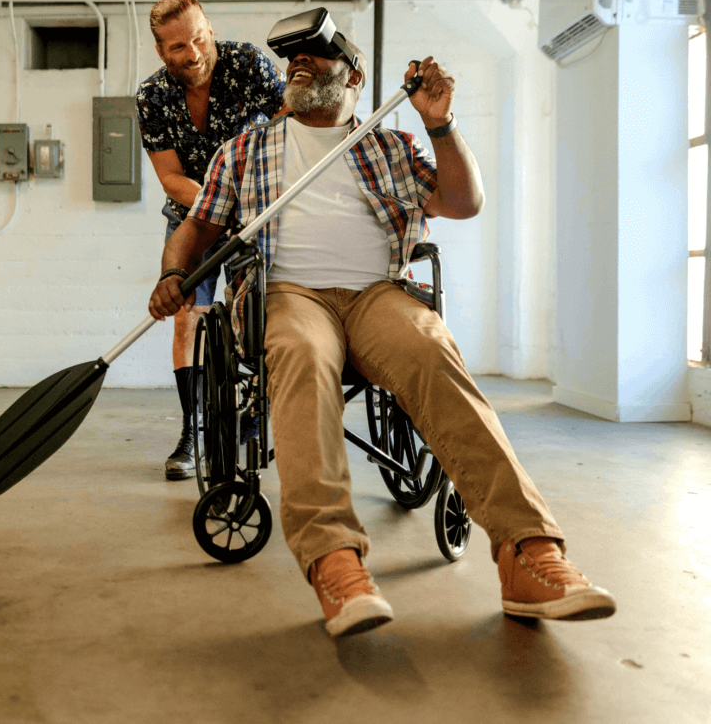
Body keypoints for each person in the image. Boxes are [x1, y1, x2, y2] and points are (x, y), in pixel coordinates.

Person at [148, 32, 616, 637]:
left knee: (430, 346)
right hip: (289, 293)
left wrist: (439, 124)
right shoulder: (245, 150)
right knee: (301, 353)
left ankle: (529, 553)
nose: (299, 61)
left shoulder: (388, 144)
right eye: (293, 55)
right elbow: (197, 227)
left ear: (354, 79)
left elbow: (462, 201)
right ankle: (335, 560)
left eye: (317, 54)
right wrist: (172, 273)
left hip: (377, 292)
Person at [136, 0, 285, 479]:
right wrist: (213, 207)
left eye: (200, 36)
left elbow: (293, 130)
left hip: (254, 217)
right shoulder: (152, 96)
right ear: (162, 52)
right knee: (187, 319)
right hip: (193, 213)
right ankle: (193, 430)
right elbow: (169, 176)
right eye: (179, 45)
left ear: (210, 27)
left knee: (261, 316)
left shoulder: (249, 65)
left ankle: (257, 414)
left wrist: (244, 205)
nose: (194, 52)